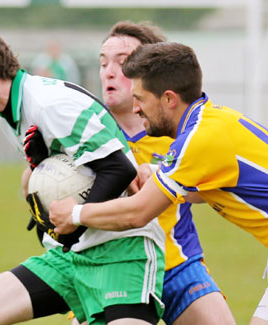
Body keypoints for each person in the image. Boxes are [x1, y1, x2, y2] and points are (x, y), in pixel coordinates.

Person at [50, 42, 268, 324]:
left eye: (141, 99)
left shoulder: (200, 138)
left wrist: (75, 214)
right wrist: (157, 176)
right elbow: (202, 191)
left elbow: (138, 213)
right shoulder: (207, 122)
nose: (135, 108)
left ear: (169, 99)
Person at [0, 21, 165, 325]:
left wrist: (72, 224)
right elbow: (66, 176)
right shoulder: (8, 116)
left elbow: (119, 169)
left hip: (122, 251)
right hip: (68, 257)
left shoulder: (48, 104)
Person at [98, 21, 235, 325]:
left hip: (177, 265)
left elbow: (214, 187)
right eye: (103, 63)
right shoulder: (84, 131)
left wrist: (161, 172)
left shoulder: (180, 131)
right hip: (110, 268)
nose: (108, 72)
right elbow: (40, 186)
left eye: (122, 64)